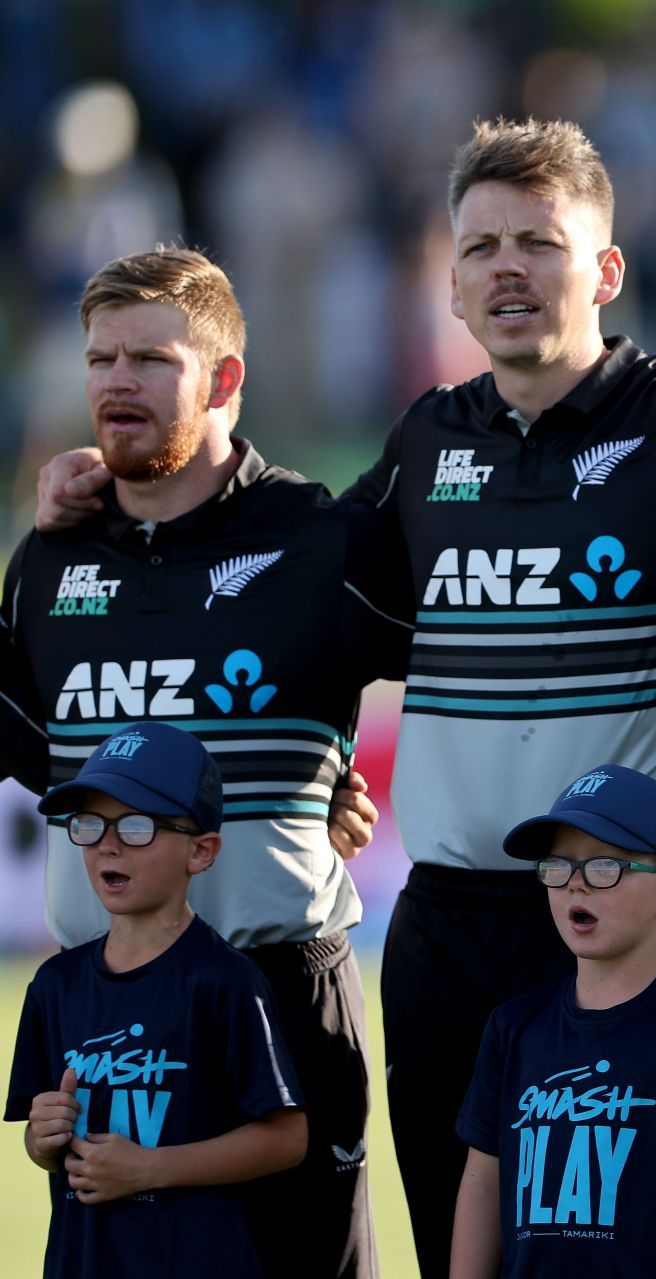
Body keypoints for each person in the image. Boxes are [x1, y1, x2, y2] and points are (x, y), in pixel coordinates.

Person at [31, 119, 656, 1276]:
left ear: (606, 270)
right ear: (452, 284)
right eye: (482, 247)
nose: (507, 268)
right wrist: (109, 491)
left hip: (639, 925)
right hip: (450, 935)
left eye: (539, 242)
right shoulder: (424, 444)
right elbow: (262, 585)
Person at [0, 249, 405, 1278]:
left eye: (148, 357)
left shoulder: (321, 539)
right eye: (100, 358)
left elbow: (486, 675)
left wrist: (328, 779)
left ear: (224, 379)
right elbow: (38, 757)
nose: (115, 383)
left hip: (277, 985)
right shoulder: (51, 556)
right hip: (108, 1005)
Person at [6, 722, 308, 1278]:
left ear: (201, 850)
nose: (108, 844)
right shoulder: (55, 984)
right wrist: (42, 1136)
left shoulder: (225, 982)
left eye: (137, 825)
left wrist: (149, 1169)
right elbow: (39, 1140)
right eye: (90, 824)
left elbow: (287, 1138)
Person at [450, 763, 656, 1279]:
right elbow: (483, 1182)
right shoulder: (513, 1029)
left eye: (605, 867)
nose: (576, 886)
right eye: (559, 866)